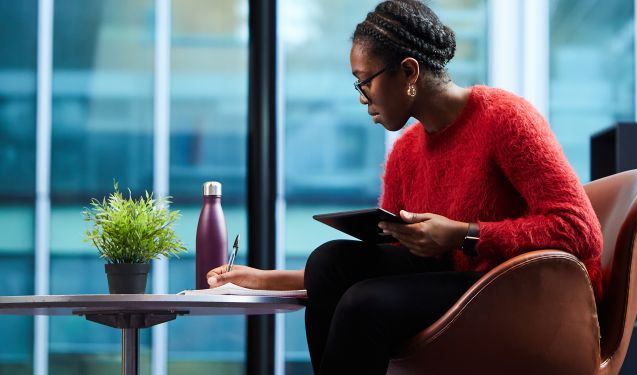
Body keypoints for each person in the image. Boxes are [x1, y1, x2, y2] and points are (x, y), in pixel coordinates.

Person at [206, 1, 603, 374]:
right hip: (453, 284)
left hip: (517, 293)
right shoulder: (407, 152)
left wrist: (464, 235)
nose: (362, 99)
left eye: (365, 82)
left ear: (409, 72)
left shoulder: (505, 119)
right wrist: (262, 278)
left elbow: (580, 230)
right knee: (330, 261)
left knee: (364, 305)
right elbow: (390, 263)